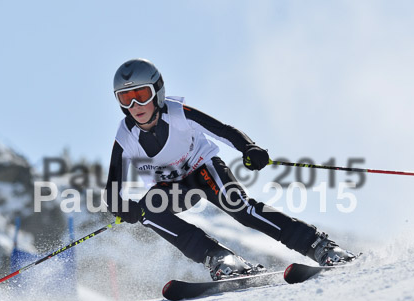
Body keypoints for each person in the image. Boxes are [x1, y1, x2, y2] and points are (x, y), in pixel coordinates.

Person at [105, 58, 356, 280]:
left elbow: (223, 130)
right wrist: (122, 207)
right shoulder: (125, 134)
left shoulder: (178, 113)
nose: (136, 105)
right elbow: (112, 187)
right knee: (149, 211)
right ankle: (218, 258)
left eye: (142, 95)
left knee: (240, 207)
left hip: (203, 171)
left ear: (157, 93)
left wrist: (249, 148)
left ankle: (319, 246)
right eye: (126, 98)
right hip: (172, 189)